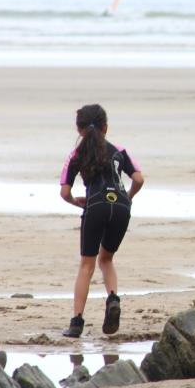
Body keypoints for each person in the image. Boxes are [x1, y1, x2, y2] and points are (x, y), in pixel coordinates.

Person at [59, 104, 144, 338]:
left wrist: (77, 202)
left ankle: (77, 322)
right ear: (105, 128)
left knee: (87, 264)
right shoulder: (119, 150)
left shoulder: (76, 155)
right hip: (121, 208)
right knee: (106, 259)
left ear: (79, 130)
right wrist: (127, 197)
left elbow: (64, 192)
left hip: (95, 205)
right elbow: (139, 178)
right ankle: (113, 298)